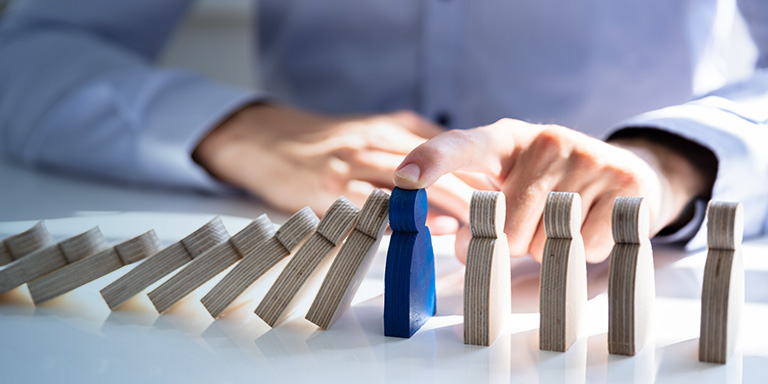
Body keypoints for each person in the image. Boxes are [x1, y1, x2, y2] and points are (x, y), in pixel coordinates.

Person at [1, 0, 766, 264]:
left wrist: (671, 160)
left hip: (647, 260)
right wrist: (237, 129)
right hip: (302, 242)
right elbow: (30, 53)